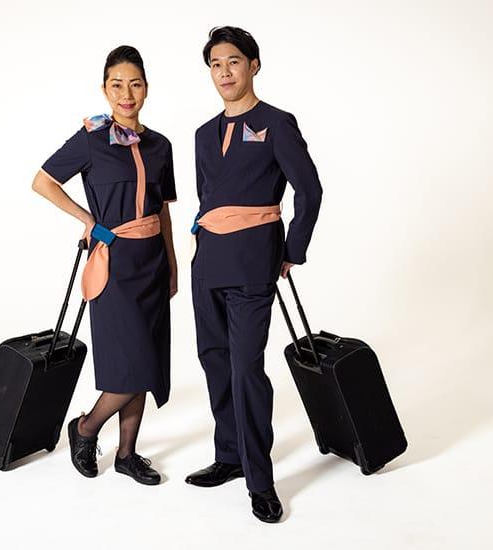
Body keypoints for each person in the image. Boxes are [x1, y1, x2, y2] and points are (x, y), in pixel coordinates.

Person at [185, 26, 323, 522]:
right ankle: (229, 457)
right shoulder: (203, 134)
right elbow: (208, 198)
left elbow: (309, 192)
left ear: (254, 65)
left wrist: (292, 250)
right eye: (216, 64)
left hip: (253, 264)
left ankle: (261, 481)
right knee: (215, 361)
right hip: (209, 265)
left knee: (246, 369)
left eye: (234, 62)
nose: (225, 72)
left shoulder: (277, 123)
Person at [31, 45, 178, 485]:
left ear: (147, 89)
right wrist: (89, 221)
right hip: (114, 265)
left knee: (146, 362)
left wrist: (172, 263)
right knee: (130, 364)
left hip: (152, 263)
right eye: (117, 84)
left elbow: (164, 210)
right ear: (104, 89)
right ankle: (85, 428)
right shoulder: (92, 139)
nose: (126, 93)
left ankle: (128, 453)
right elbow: (43, 181)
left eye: (135, 83)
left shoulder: (160, 145)